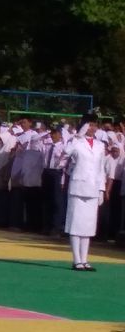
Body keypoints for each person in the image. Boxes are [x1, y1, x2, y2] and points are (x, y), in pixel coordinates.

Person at [64, 115, 110, 271]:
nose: (92, 128)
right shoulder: (76, 142)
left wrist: (101, 189)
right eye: (89, 124)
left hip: (93, 188)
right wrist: (78, 136)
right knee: (76, 224)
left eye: (94, 125)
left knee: (88, 226)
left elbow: (101, 169)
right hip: (78, 187)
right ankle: (76, 260)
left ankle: (85, 259)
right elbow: (66, 152)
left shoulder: (99, 145)